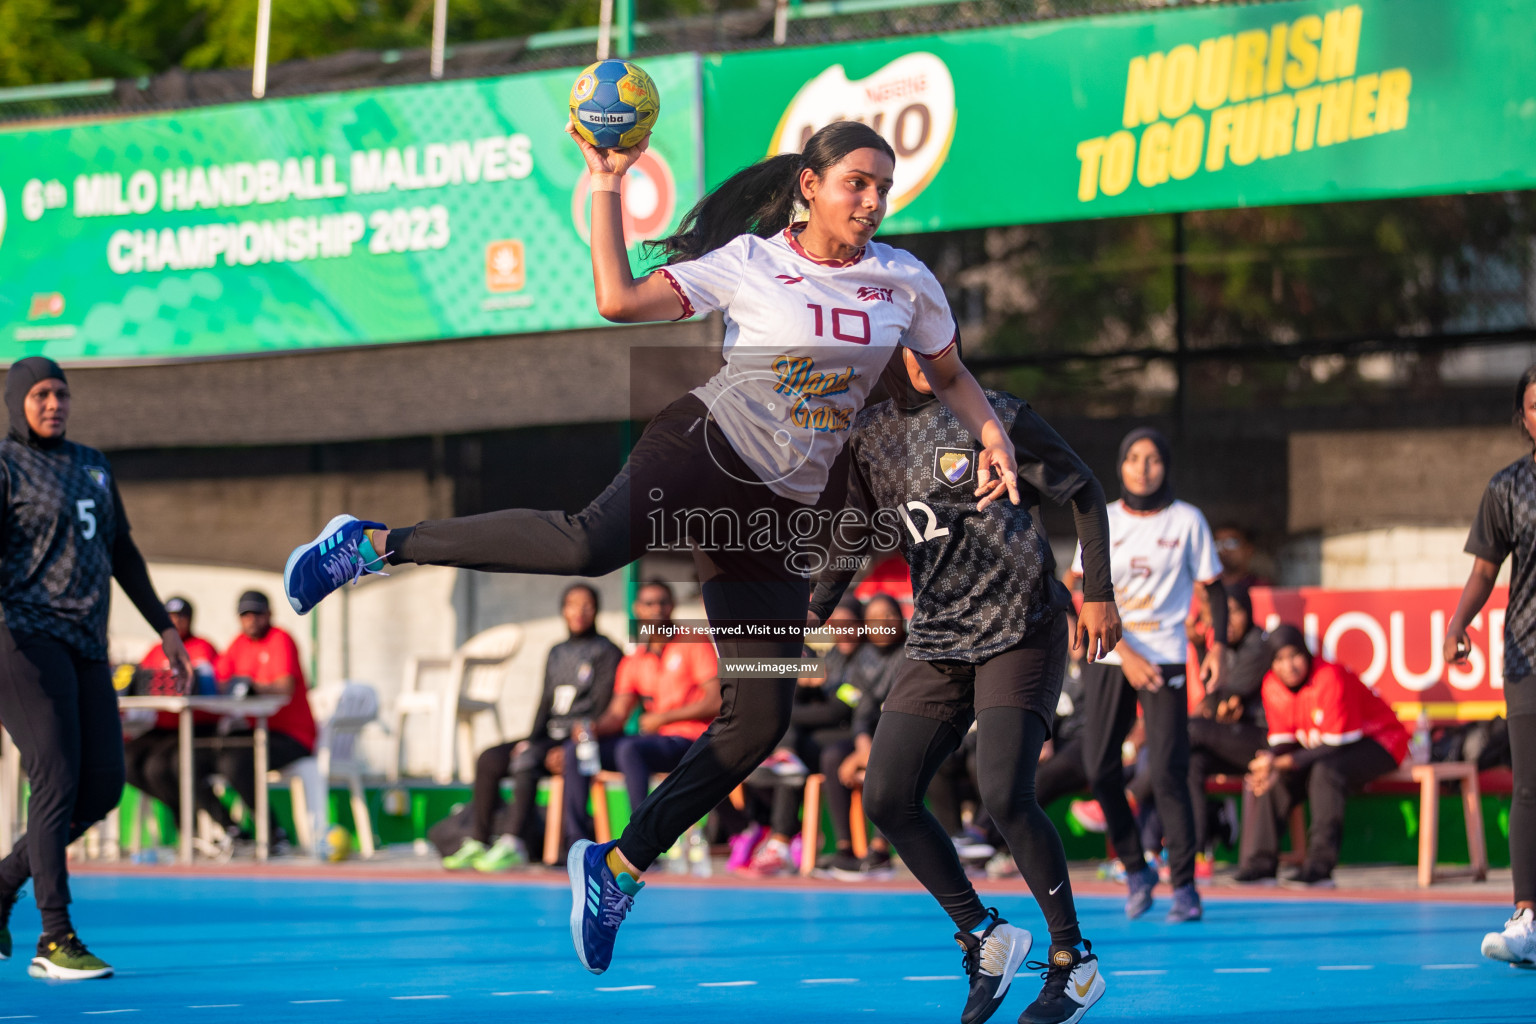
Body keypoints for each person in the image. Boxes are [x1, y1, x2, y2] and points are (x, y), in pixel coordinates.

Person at [281, 119, 1027, 975]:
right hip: (707, 449)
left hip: (775, 518)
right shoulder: (751, 262)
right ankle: (375, 544)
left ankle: (618, 868)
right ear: (810, 187)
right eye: (856, 181)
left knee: (757, 722)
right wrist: (607, 182)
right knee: (586, 546)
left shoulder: (903, 280)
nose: (872, 200)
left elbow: (949, 373)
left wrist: (990, 438)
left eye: (882, 187)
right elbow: (617, 299)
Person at [810, 347, 1120, 1024]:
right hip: (940, 636)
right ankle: (985, 934)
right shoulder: (870, 436)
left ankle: (1075, 962)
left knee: (1006, 792)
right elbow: (852, 537)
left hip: (1022, 622)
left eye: (934, 335)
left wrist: (1097, 591)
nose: (923, 351)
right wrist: (810, 610)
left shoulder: (995, 414)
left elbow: (1085, 490)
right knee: (887, 796)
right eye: (909, 338)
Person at [0, 357, 190, 981]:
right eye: (40, 394)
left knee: (103, 786)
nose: (53, 403)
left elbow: (123, 554)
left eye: (61, 393)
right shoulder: (5, 465)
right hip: (23, 639)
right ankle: (54, 939)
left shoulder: (93, 465)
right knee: (54, 774)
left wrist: (165, 628)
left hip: (86, 643)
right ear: (16, 402)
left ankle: (2, 884)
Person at [1070, 427, 1224, 923]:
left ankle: (1184, 887)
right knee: (1098, 769)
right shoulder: (1102, 518)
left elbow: (1214, 589)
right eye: (1133, 457)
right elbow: (1079, 589)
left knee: (1168, 771)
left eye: (1152, 458)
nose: (1143, 466)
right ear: (1120, 465)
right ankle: (1136, 870)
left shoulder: (1188, 520)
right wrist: (1124, 652)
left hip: (1167, 659)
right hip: (1113, 656)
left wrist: (1216, 645)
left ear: (1165, 466)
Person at [1446, 364, 1536, 966]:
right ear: (1523, 414)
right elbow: (1485, 570)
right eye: (1534, 404)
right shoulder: (1508, 487)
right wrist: (1458, 624)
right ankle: (1527, 918)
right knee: (1530, 787)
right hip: (1529, 653)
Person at [442, 583, 621, 871]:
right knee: (489, 758)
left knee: (527, 760)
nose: (579, 611)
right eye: (572, 605)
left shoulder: (607, 651)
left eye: (586, 605)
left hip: (579, 740)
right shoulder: (556, 651)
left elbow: (601, 709)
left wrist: (575, 744)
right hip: (547, 737)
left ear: (596, 609)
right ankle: (478, 841)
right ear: (563, 611)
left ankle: (513, 843)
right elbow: (545, 701)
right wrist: (531, 737)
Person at [1234, 625, 1407, 887]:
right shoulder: (1271, 685)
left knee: (1325, 774)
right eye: (1279, 659)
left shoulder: (1330, 676)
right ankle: (1261, 865)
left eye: (1294, 656)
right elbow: (1284, 742)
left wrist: (1283, 762)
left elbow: (1335, 744)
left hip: (1379, 742)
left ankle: (1319, 868)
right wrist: (1270, 762)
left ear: (1306, 653)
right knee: (1276, 778)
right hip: (1324, 749)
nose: (1288, 666)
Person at [563, 581, 719, 844]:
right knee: (575, 750)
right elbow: (618, 713)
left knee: (630, 749)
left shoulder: (693, 641)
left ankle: (641, 842)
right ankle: (576, 842)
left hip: (691, 742)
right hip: (654, 743)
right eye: (649, 603)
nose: (656, 608)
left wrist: (664, 718)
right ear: (638, 609)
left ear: (672, 606)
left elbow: (716, 701)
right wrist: (591, 728)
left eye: (662, 602)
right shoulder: (634, 659)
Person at [738, 597, 865, 877]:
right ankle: (775, 838)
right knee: (784, 759)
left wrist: (789, 711)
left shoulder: (864, 660)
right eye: (837, 624)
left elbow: (838, 709)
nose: (843, 630)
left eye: (850, 624)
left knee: (788, 733)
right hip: (823, 735)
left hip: (852, 735)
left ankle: (781, 841)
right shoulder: (831, 657)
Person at [210, 591, 316, 850]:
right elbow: (217, 682)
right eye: (246, 614)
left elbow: (284, 687)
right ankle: (232, 830)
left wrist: (253, 687)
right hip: (257, 731)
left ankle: (274, 833)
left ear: (269, 614)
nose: (251, 620)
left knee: (237, 761)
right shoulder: (238, 644)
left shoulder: (281, 639)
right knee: (204, 755)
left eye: (257, 613)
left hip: (293, 736)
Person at [121, 596, 220, 826]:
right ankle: (181, 811)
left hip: (195, 727)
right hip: (163, 726)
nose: (176, 621)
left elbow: (209, 687)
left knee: (159, 766)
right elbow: (141, 685)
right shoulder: (155, 650)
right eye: (171, 616)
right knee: (124, 760)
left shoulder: (202, 647)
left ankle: (188, 823)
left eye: (181, 617)